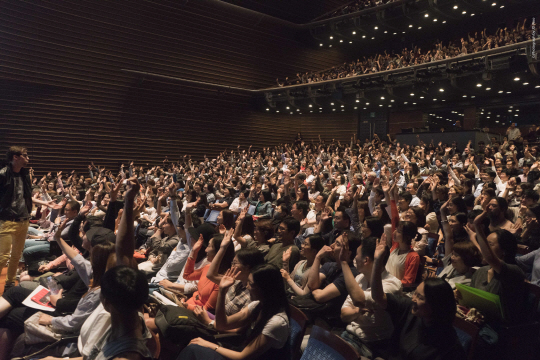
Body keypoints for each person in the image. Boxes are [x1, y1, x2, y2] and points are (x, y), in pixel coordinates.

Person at [365, 236, 466, 360]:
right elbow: (378, 296)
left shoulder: (450, 347)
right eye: (415, 293)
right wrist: (377, 261)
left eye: (419, 297)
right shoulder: (410, 309)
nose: (413, 298)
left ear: (435, 305)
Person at [178, 264, 290, 360]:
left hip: (242, 356)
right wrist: (222, 290)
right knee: (190, 338)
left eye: (250, 284)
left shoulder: (277, 322)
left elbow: (242, 356)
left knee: (194, 349)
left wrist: (210, 345)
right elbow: (223, 325)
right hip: (238, 349)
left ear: (264, 288)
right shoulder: (257, 305)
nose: (246, 286)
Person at [0, 146, 57, 290]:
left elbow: (27, 197)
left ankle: (10, 283)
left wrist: (45, 202)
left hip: (23, 220)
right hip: (7, 221)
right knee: (2, 257)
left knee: (16, 255)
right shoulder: (3, 175)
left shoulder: (25, 175)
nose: (28, 158)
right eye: (25, 155)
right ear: (15, 157)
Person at [339, 236, 402, 358]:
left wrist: (344, 262)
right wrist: (358, 311)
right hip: (348, 335)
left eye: (357, 254)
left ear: (366, 260)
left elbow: (359, 299)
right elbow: (344, 315)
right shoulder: (359, 278)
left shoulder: (392, 284)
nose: (355, 258)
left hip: (371, 346)